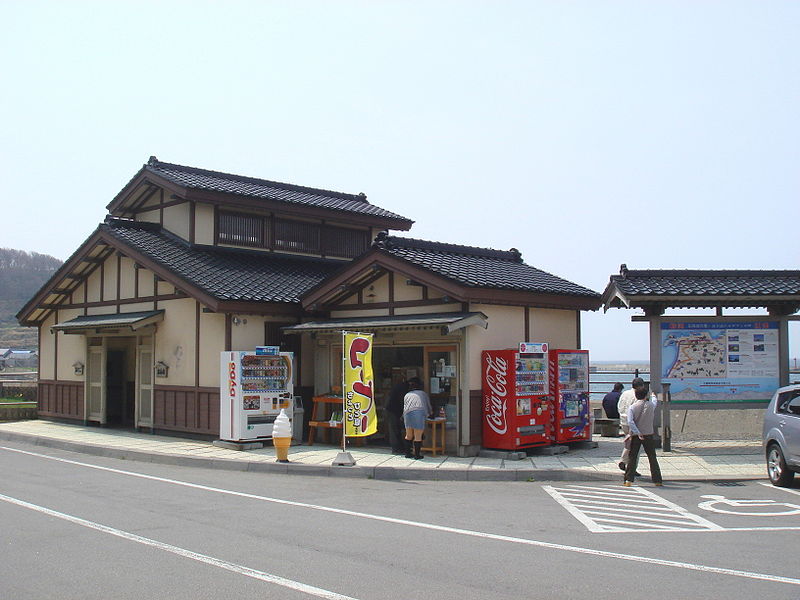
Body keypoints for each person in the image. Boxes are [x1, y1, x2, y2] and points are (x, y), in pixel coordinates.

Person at [623, 386, 663, 486]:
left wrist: (637, 432)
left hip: (637, 435)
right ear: (646, 396)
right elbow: (655, 401)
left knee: (632, 456)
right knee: (652, 457)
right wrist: (654, 395)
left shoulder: (632, 407)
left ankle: (628, 480)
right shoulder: (650, 405)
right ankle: (657, 480)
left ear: (636, 396)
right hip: (648, 434)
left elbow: (630, 422)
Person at [617, 377, 646, 472]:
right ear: (641, 386)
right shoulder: (637, 396)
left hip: (623, 421)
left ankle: (624, 461)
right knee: (635, 446)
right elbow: (638, 410)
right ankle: (631, 467)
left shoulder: (625, 393)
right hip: (633, 423)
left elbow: (619, 407)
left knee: (629, 443)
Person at [403, 377, 433, 460]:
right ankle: (417, 455)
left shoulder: (407, 394)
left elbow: (405, 406)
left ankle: (408, 453)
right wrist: (430, 413)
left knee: (408, 435)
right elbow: (427, 405)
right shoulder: (423, 394)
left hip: (407, 414)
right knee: (418, 435)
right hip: (418, 413)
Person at [386, 377, 409, 454]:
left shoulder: (399, 387)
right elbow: (402, 401)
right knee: (394, 429)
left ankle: (399, 448)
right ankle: (396, 448)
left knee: (396, 429)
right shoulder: (403, 389)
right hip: (393, 410)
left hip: (393, 409)